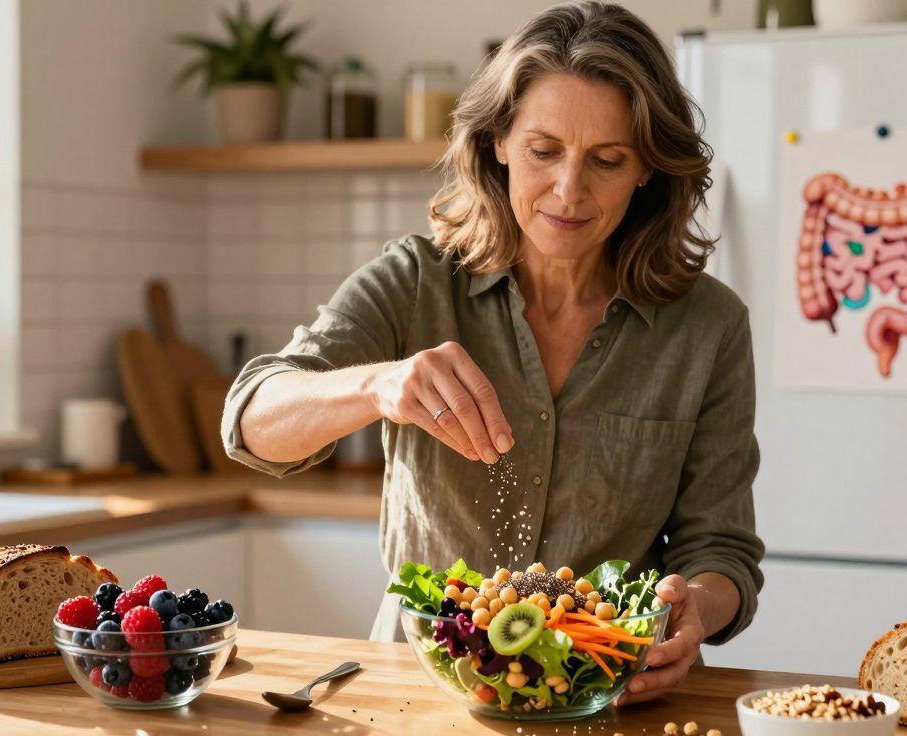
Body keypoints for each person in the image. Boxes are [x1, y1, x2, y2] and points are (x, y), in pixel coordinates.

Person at [222, 1, 763, 705]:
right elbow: (251, 419)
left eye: (607, 160)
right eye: (543, 151)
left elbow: (721, 549)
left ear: (646, 171)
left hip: (606, 689)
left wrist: (694, 609)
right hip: (419, 692)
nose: (569, 190)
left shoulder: (709, 326)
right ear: (499, 142)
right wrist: (378, 386)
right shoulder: (415, 282)